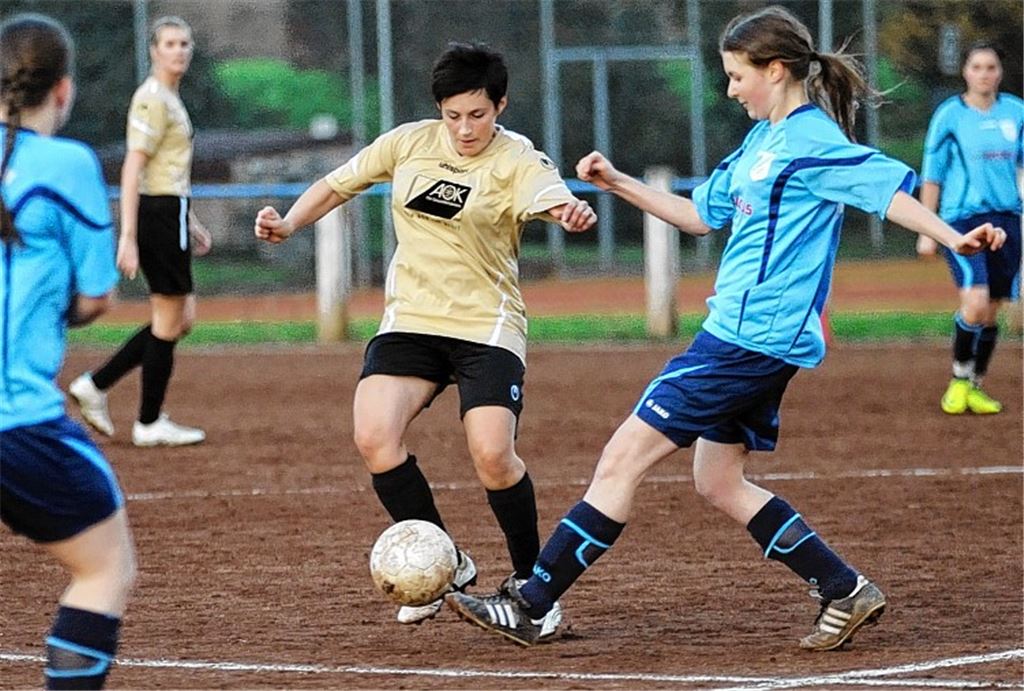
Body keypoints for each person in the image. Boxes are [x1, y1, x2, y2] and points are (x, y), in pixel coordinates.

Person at [446, 5, 1006, 650]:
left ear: (776, 70)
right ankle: (843, 589)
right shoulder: (760, 142)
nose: (732, 89)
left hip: (748, 340)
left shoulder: (812, 141)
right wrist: (617, 182)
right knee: (717, 480)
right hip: (752, 338)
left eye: (739, 75)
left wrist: (955, 239)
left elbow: (888, 193)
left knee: (622, 458)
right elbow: (698, 217)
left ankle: (531, 603)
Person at [254, 42, 596, 633]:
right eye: (453, 115)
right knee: (374, 436)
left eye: (478, 115)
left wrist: (570, 213)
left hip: (485, 326)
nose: (464, 128)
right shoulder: (409, 142)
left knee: (493, 455)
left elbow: (552, 197)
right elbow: (337, 184)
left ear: (500, 106)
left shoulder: (518, 159)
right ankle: (447, 564)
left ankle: (532, 586)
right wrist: (288, 222)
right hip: (411, 321)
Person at [0, 14, 137, 688]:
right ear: (63, 88)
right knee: (106, 568)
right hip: (17, 421)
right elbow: (96, 297)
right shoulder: (69, 164)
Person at [69, 15, 210, 447]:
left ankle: (96, 385)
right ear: (154, 51)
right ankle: (147, 422)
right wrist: (128, 236)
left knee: (181, 319)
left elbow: (169, 170)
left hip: (172, 211)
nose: (179, 51)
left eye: (184, 43)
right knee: (170, 319)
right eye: (169, 43)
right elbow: (134, 167)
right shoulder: (152, 99)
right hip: (157, 214)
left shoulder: (170, 98)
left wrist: (191, 220)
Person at [915, 42, 1022, 416]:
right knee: (974, 304)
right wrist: (927, 229)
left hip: (1007, 221)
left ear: (1000, 72)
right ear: (965, 72)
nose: (984, 74)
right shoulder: (950, 116)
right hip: (962, 221)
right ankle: (959, 380)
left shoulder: (1016, 112)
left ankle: (975, 385)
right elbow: (932, 174)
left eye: (991, 67)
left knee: (991, 310)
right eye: (977, 67)